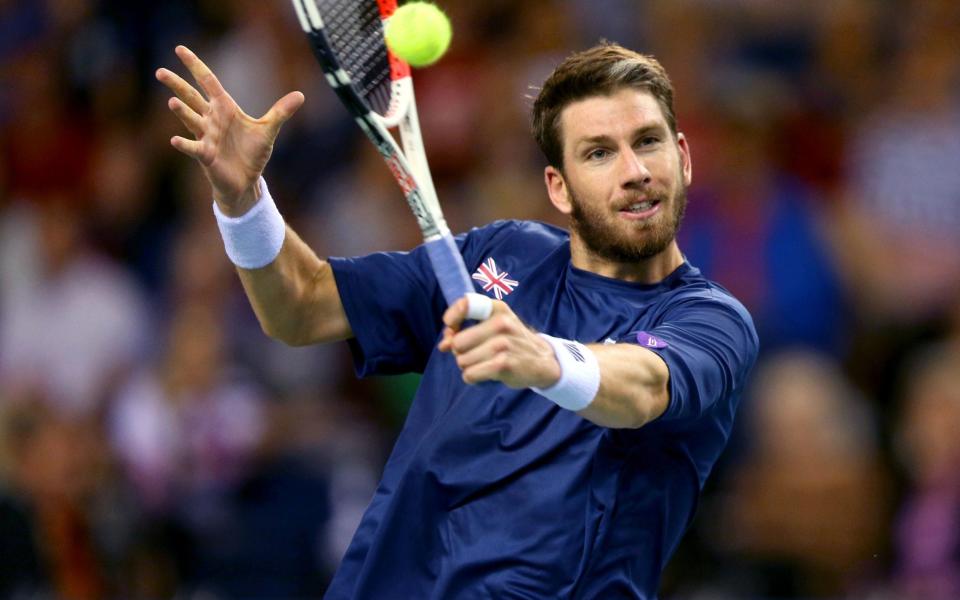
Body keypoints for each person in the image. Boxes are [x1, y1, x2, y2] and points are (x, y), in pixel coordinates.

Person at [156, 41, 758, 599]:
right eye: (599, 153)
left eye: (648, 142)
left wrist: (545, 360)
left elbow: (647, 384)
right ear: (560, 188)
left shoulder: (710, 318)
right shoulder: (502, 253)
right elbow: (302, 306)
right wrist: (243, 202)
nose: (634, 171)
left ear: (682, 157)